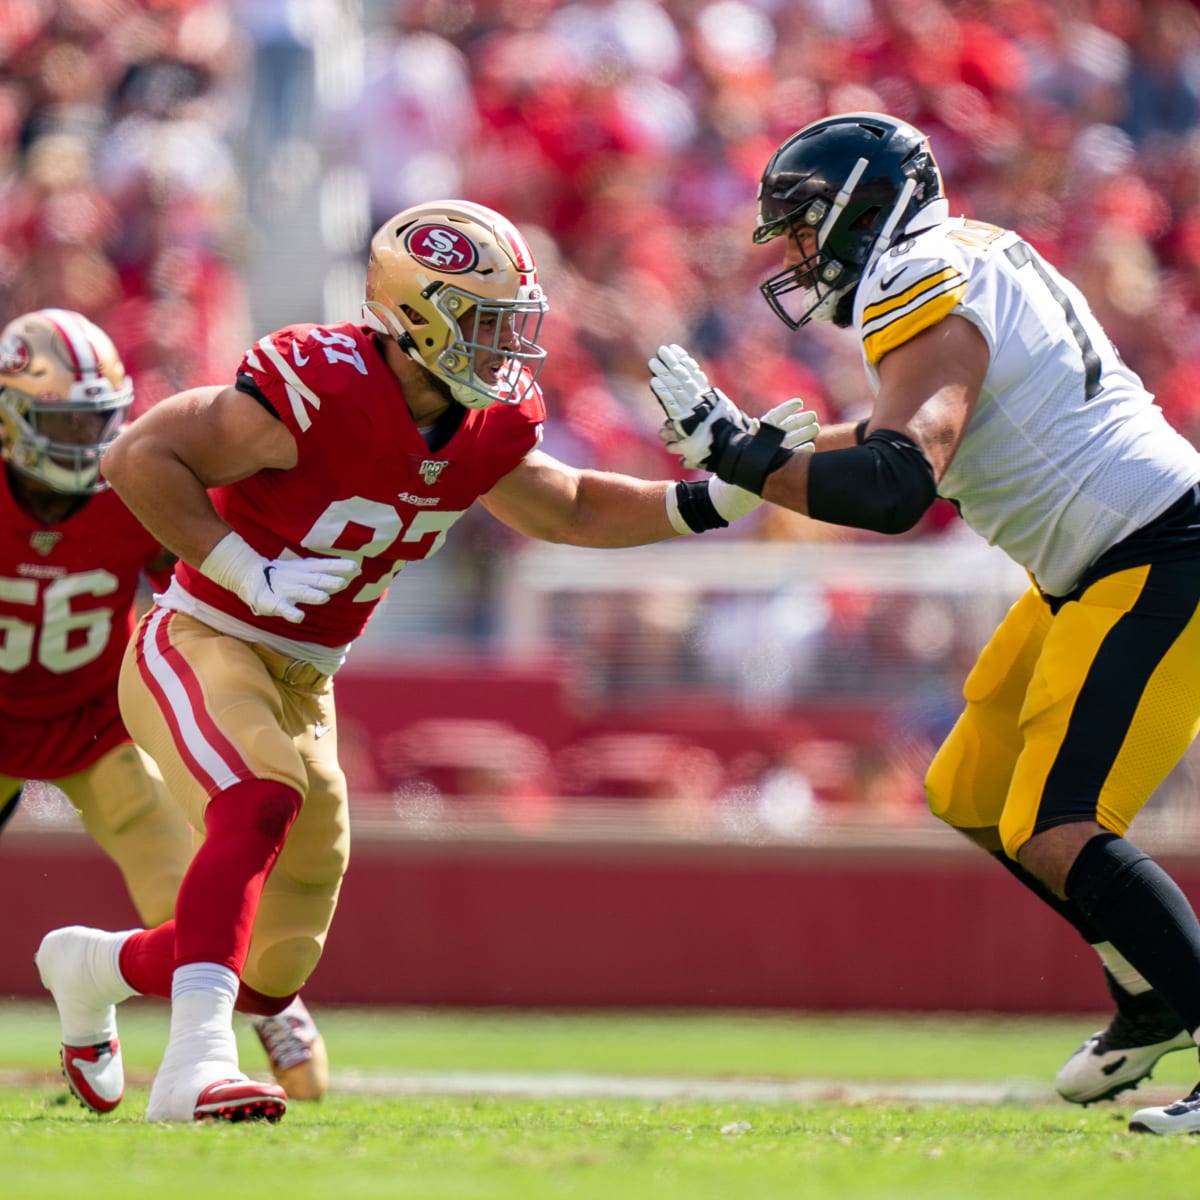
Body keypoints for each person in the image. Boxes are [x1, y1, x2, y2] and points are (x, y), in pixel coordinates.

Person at [33, 199, 818, 1124]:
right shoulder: (322, 383)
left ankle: (91, 967)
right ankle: (193, 1069)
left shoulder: (485, 422)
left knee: (275, 957)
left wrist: (712, 499)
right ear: (416, 314)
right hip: (203, 636)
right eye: (485, 324)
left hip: (305, 675)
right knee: (259, 798)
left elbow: (565, 507)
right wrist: (243, 564)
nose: (507, 349)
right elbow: (141, 455)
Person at [649, 111, 1200, 1136]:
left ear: (867, 203)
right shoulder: (963, 252)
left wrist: (743, 457)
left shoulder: (914, 276)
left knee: (1059, 825)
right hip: (1095, 561)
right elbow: (909, 429)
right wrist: (760, 451)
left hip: (1158, 549)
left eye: (809, 223)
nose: (799, 252)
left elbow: (901, 484)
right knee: (973, 789)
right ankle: (1154, 993)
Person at [0, 308, 328, 1112]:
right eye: (62, 422)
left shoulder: (132, 484)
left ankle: (269, 1010)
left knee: (188, 886)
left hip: (94, 721)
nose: (84, 442)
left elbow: (193, 588)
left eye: (97, 422)